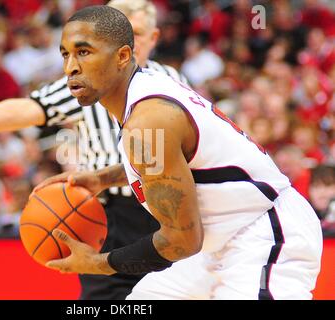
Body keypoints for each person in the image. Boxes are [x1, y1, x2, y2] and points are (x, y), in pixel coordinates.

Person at [37, 5, 322, 299]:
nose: (70, 66)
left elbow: (182, 240)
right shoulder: (142, 90)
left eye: (84, 52)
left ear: (122, 56)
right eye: (65, 54)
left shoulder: (148, 120)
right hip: (217, 244)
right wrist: (103, 179)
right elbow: (173, 162)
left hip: (264, 233)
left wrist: (97, 263)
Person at [0, 0, 188, 300]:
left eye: (136, 33)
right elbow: (31, 108)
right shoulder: (89, 80)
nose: (129, 43)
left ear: (154, 37)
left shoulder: (171, 80)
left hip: (165, 204)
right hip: (109, 212)